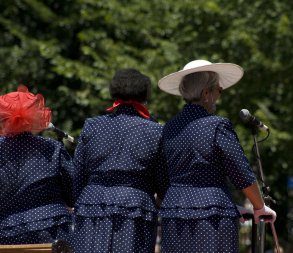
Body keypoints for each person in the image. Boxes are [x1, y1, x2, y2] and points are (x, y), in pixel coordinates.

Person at [157, 60, 277, 253]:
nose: (219, 96)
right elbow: (240, 172)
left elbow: (162, 177)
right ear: (206, 93)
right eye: (219, 90)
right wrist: (259, 207)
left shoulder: (169, 127)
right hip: (212, 217)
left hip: (174, 213)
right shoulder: (217, 125)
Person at [0, 85, 76, 247]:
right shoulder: (53, 148)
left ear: (2, 119)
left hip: (7, 238)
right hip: (54, 235)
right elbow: (74, 192)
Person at [72, 68, 168, 253]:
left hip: (92, 204)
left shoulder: (92, 125)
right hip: (135, 207)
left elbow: (78, 174)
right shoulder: (155, 130)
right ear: (144, 94)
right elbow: (163, 181)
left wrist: (81, 201)